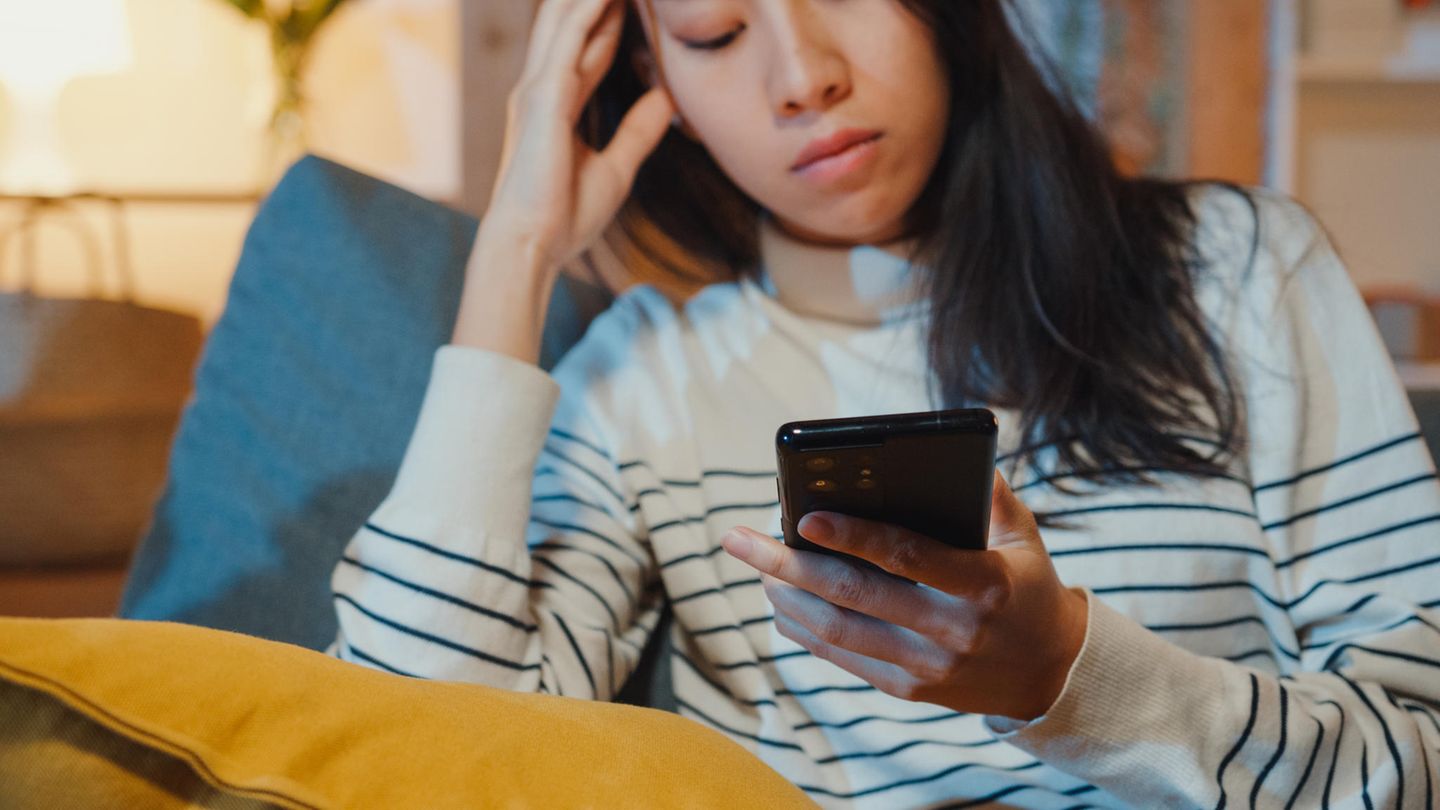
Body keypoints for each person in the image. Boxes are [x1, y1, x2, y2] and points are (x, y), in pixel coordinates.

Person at [327, 0, 1440, 806]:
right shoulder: (642, 379)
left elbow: (1423, 756)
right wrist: (515, 252)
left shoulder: (1239, 270)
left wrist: (1069, 677)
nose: (802, 75)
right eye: (716, 32)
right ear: (647, 80)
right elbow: (411, 743)